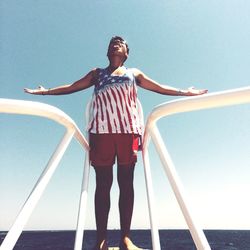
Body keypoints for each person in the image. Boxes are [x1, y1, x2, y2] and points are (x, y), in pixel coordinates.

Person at [24, 36, 208, 250]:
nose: (115, 44)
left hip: (128, 131)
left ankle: (125, 239)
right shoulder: (97, 74)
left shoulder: (134, 73)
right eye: (112, 42)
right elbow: (72, 87)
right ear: (107, 52)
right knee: (103, 186)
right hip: (101, 133)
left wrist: (185, 92)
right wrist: (45, 91)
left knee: (126, 185)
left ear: (126, 53)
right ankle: (100, 241)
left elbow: (158, 87)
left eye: (119, 42)